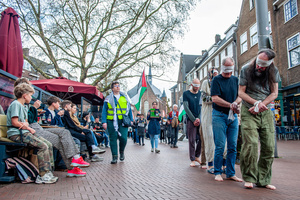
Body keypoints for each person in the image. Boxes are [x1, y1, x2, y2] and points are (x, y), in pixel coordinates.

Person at [15, 78, 89, 177]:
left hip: (37, 127)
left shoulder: (25, 104)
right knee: (59, 140)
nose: (31, 91)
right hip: (34, 129)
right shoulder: (20, 104)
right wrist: (34, 108)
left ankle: (76, 159)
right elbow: (26, 120)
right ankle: (72, 168)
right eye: (29, 88)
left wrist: (35, 110)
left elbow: (29, 119)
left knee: (65, 132)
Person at [239, 49, 281, 190]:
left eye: (263, 64)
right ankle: (249, 177)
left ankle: (263, 179)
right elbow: (240, 92)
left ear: (269, 64)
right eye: (258, 62)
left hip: (265, 110)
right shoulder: (246, 69)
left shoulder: (273, 71)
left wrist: (262, 104)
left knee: (269, 146)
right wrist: (255, 103)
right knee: (251, 144)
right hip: (248, 110)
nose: (259, 67)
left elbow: (275, 93)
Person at [6, 83, 58, 184]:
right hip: (17, 134)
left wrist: (26, 125)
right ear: (24, 95)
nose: (31, 97)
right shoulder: (16, 104)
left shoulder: (24, 106)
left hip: (24, 132)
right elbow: (15, 122)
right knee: (43, 146)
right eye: (30, 95)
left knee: (49, 144)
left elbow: (26, 121)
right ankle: (43, 175)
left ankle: (49, 171)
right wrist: (29, 128)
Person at [211, 57, 243, 182]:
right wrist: (230, 105)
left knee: (233, 146)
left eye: (231, 70)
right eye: (226, 70)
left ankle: (230, 173)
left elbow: (240, 95)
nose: (229, 73)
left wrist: (235, 103)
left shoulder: (235, 80)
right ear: (222, 67)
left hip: (233, 116)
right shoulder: (216, 80)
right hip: (219, 115)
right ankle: (217, 171)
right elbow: (215, 98)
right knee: (220, 145)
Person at [102, 81, 133, 164]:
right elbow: (104, 110)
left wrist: (131, 120)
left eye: (118, 86)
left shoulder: (125, 97)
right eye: (115, 86)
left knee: (123, 138)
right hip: (111, 120)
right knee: (113, 138)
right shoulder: (108, 99)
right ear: (112, 89)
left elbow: (129, 109)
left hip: (123, 121)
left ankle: (122, 151)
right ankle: (114, 156)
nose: (118, 87)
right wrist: (104, 122)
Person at [201, 68, 219, 173]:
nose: (216, 75)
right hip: (208, 114)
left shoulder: (220, 82)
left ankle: (222, 164)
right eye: (214, 74)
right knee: (209, 139)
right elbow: (204, 98)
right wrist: (216, 99)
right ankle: (210, 164)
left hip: (218, 113)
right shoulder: (205, 83)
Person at [183, 79, 205, 167]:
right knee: (191, 140)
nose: (197, 88)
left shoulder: (200, 94)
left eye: (198, 86)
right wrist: (193, 119)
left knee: (201, 139)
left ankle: (197, 156)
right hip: (190, 120)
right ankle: (192, 159)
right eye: (195, 86)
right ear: (192, 85)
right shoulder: (186, 94)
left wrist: (198, 118)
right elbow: (186, 107)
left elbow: (202, 106)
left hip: (199, 119)